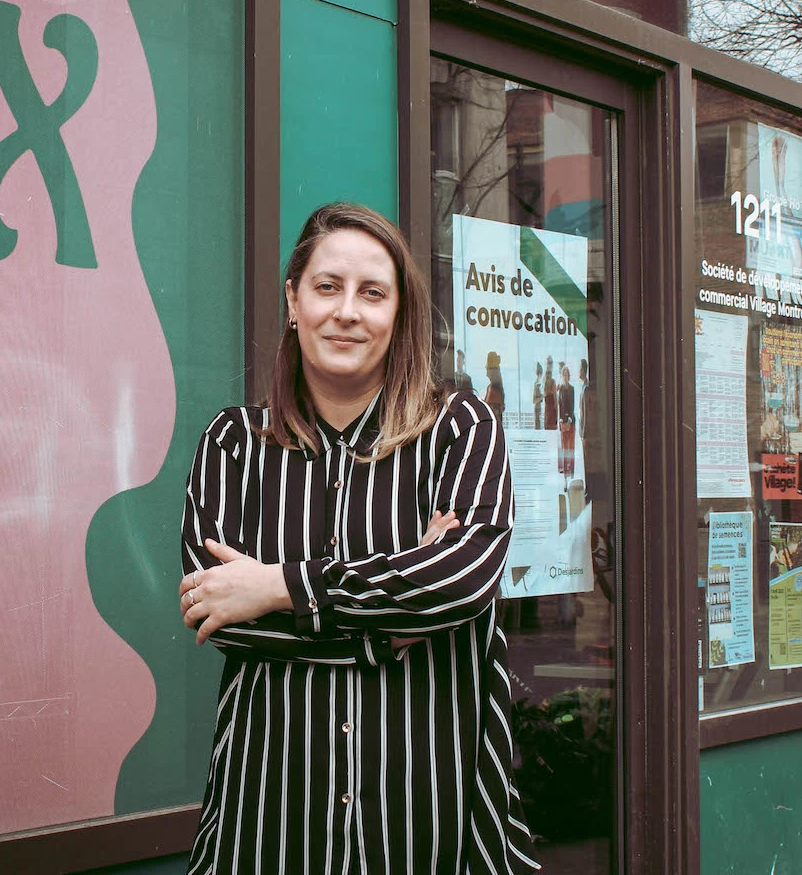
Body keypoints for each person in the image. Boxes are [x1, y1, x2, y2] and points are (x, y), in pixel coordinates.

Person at [177, 202, 538, 874]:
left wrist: (279, 586)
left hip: (432, 821)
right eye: (327, 287)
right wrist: (398, 618)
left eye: (373, 293)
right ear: (292, 300)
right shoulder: (234, 446)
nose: (348, 311)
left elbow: (464, 582)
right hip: (269, 824)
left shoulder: (458, 429)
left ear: (398, 313)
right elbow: (219, 616)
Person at [557, 362, 576, 477]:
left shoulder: (572, 389)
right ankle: (565, 469)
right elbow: (559, 406)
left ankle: (572, 471)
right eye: (564, 374)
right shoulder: (560, 390)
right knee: (564, 448)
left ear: (569, 376)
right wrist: (560, 420)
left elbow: (572, 406)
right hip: (562, 422)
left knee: (571, 447)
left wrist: (569, 420)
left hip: (571, 421)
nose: (565, 377)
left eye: (567, 374)